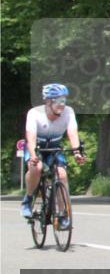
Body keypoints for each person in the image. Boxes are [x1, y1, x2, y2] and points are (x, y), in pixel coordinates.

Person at [20, 84, 86, 226]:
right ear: (48, 102)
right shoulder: (34, 113)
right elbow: (30, 137)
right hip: (36, 147)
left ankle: (62, 214)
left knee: (62, 175)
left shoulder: (68, 112)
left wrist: (76, 152)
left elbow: (72, 133)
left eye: (64, 100)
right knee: (36, 168)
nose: (62, 104)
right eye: (58, 101)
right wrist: (32, 154)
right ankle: (28, 199)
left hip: (54, 148)